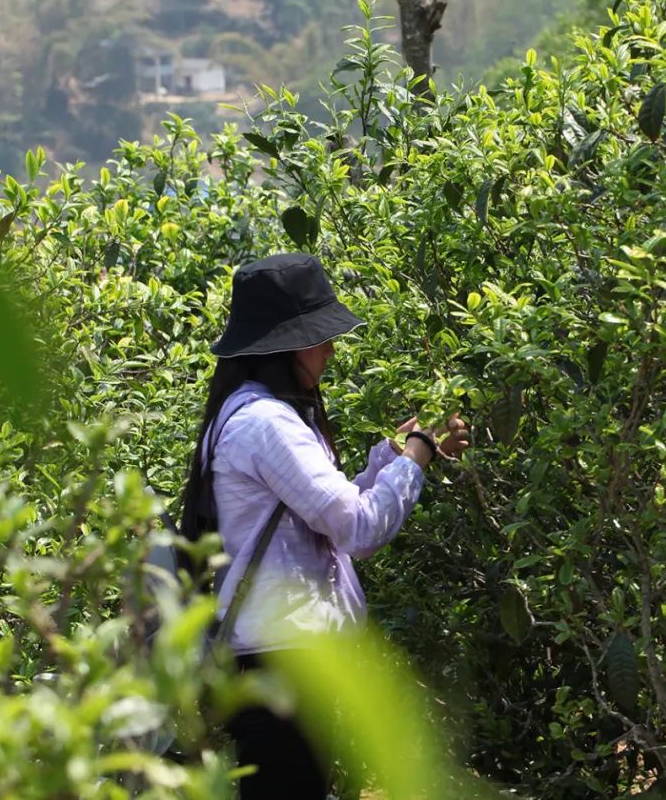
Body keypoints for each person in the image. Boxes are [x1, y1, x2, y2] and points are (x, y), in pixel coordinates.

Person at [180, 250, 469, 799]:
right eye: (320, 337)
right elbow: (358, 529)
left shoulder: (254, 411)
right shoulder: (267, 423)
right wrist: (416, 457)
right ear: (287, 346)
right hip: (283, 668)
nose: (330, 350)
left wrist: (392, 458)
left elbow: (321, 514)